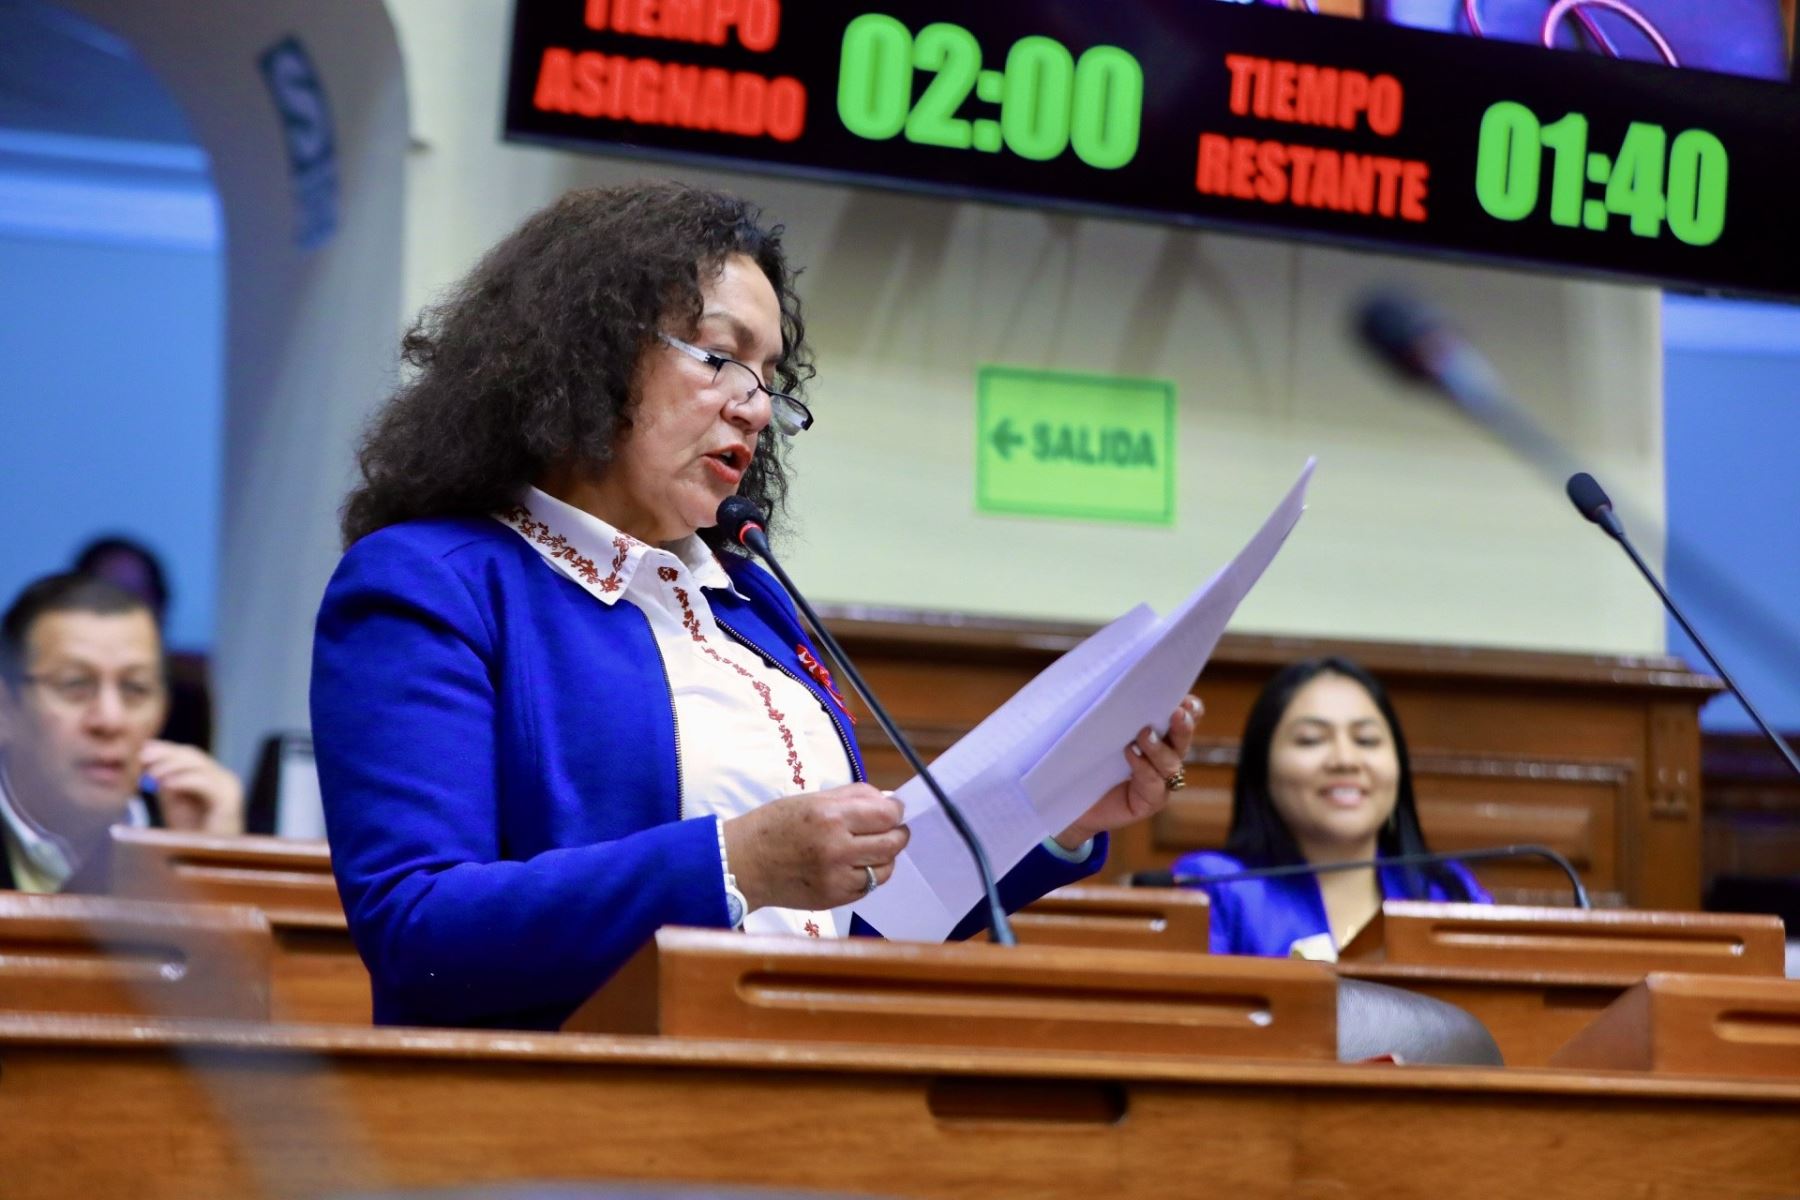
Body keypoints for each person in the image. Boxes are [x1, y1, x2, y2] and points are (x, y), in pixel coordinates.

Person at [311, 181, 1202, 1031]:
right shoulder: (432, 582)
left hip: (792, 1092)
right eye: (721, 356)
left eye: (769, 375)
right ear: (588, 351)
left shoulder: (750, 600)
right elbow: (416, 927)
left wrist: (1060, 815)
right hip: (562, 1129)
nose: (756, 407)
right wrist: (733, 864)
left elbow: (864, 923)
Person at [1173, 656, 1489, 959]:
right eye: (1311, 740)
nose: (1345, 760)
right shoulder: (1214, 887)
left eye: (1366, 740)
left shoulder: (1447, 892)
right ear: (1262, 768)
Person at [0, 573, 243, 893]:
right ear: (6, 707)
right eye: (75, 685)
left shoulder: (186, 831)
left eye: (135, 688)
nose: (110, 720)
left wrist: (215, 869)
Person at [72, 534, 215, 750]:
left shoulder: (190, 693)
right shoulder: (43, 687)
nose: (109, 721)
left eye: (134, 597)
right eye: (106, 597)